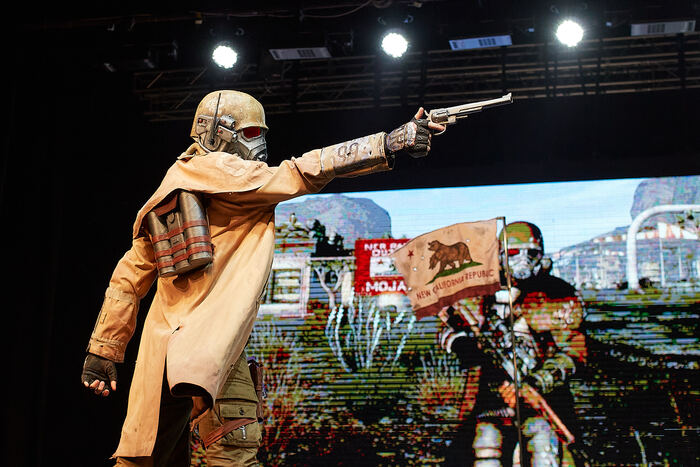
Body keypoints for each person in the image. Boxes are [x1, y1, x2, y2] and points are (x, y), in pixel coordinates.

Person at [80, 89, 445, 466]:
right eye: (252, 133)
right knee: (231, 453)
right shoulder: (226, 175)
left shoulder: (173, 185)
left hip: (168, 350)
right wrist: (389, 142)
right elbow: (302, 171)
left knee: (150, 457)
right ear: (217, 133)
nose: (261, 143)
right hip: (211, 346)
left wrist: (103, 349)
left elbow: (128, 276)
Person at [439, 221, 587, 466]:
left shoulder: (558, 295)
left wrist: (538, 382)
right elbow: (450, 326)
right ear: (499, 255)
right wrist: (460, 343)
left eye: (531, 253)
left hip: (541, 396)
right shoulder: (477, 292)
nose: (523, 261)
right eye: (514, 253)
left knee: (544, 445)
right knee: (485, 443)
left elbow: (574, 350)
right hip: (489, 395)